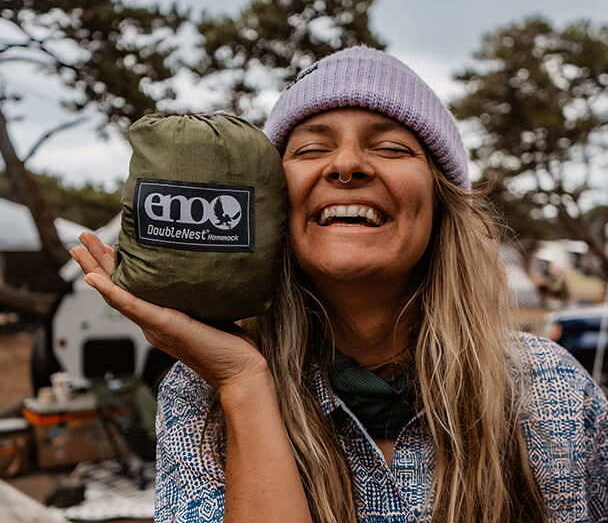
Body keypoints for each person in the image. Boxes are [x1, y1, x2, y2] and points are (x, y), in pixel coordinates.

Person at [71, 46, 608, 523]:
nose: (347, 165)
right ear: (274, 209)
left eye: (393, 148)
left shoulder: (549, 389)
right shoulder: (202, 396)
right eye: (309, 149)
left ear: (442, 203)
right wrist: (243, 384)